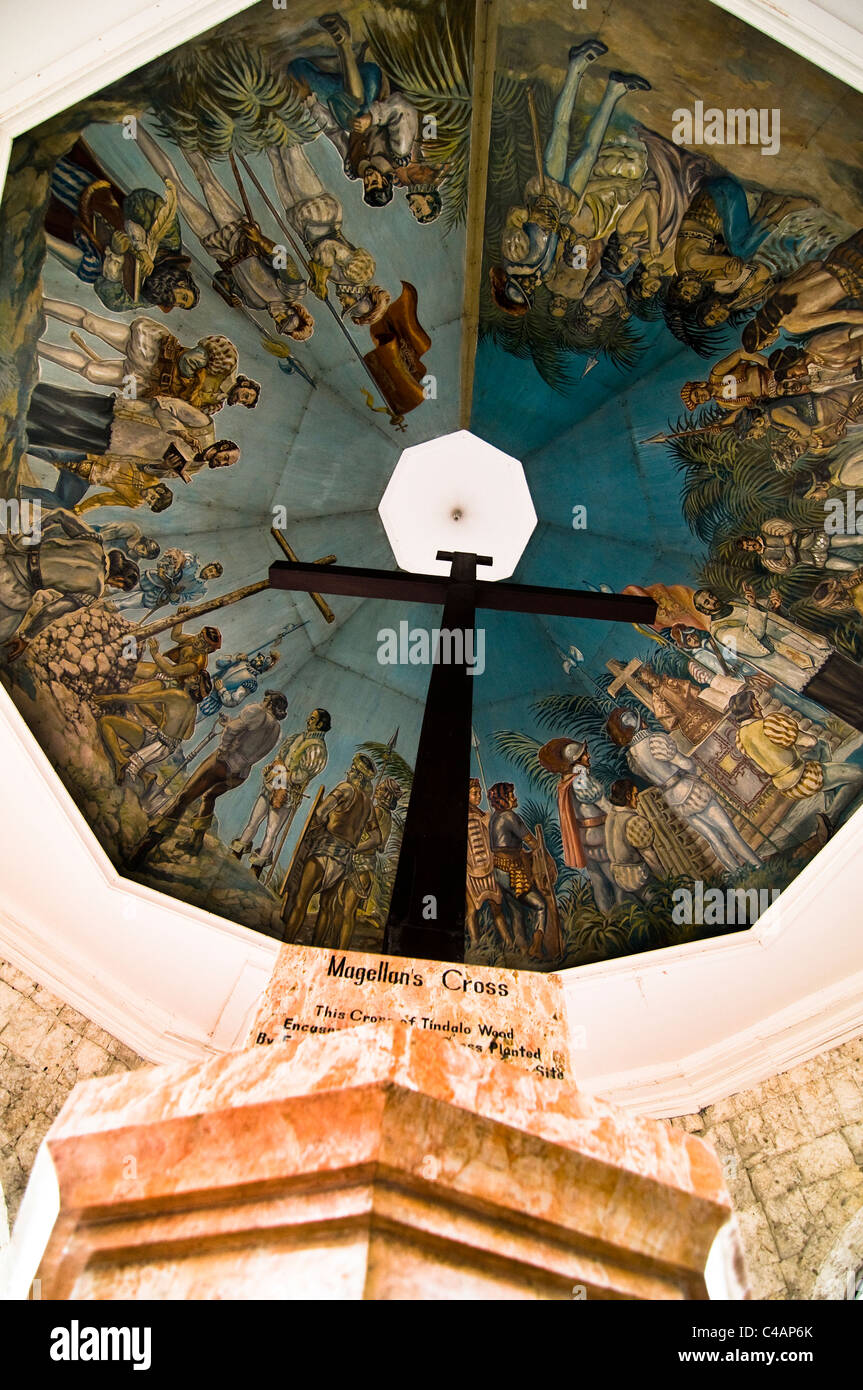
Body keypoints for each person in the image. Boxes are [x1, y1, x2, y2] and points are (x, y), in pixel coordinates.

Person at [490, 40, 650, 314]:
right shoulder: (542, 272)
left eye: (518, 291)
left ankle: (577, 63)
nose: (527, 290)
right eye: (527, 296)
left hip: (544, 192)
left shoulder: (515, 257)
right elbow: (552, 235)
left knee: (560, 130)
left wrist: (532, 216)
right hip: (564, 206)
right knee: (590, 151)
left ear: (507, 285)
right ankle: (615, 90)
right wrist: (563, 231)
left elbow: (514, 215)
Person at [134, 125, 314, 340]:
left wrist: (228, 295)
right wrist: (259, 239)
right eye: (286, 317)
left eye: (279, 323)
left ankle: (136, 131)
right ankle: (180, 124)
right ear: (295, 310)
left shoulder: (254, 303)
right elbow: (280, 257)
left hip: (218, 248)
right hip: (239, 234)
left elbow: (221, 278)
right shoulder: (291, 289)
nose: (278, 317)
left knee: (177, 192)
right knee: (205, 177)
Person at [290, 12, 439, 221]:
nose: (369, 180)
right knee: (358, 110)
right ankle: (343, 40)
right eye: (375, 183)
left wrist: (312, 105)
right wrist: (372, 118)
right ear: (386, 182)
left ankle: (335, 61)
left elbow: (334, 131)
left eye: (367, 186)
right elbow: (402, 109)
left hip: (341, 99)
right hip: (373, 83)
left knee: (298, 72)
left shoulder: (353, 165)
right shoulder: (399, 153)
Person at [129, 690, 289, 862]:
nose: (263, 701)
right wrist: (230, 725)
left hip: (223, 763)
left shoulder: (257, 712)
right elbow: (251, 742)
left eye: (266, 699)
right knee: (209, 797)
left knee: (184, 798)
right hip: (240, 774)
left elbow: (233, 730)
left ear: (270, 703)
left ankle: (146, 845)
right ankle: (195, 842)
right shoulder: (276, 730)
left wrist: (223, 749)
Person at [46, 142, 199, 313]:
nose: (175, 302)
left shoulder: (149, 296)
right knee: (57, 174)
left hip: (89, 245)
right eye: (183, 297)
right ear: (182, 282)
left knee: (91, 269)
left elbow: (114, 301)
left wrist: (118, 253)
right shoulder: (169, 243)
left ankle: (43, 239)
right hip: (99, 209)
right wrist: (138, 247)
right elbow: (144, 200)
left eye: (180, 305)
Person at [38, 299, 260, 417]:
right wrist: (192, 382)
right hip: (156, 352)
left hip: (146, 381)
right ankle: (42, 304)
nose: (242, 399)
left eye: (244, 402)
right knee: (92, 324)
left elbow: (174, 405)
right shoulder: (226, 364)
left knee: (90, 372)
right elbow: (189, 359)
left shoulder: (212, 405)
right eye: (247, 395)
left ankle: (36, 346)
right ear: (246, 383)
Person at [605, 706, 762, 872]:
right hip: (689, 789)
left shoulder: (632, 758)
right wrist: (690, 766)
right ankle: (757, 864)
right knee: (727, 829)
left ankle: (737, 873)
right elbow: (686, 764)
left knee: (712, 837)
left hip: (673, 799)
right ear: (637, 724)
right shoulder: (655, 740)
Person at [692, 585, 863, 732]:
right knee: (847, 701)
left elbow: (771, 615)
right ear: (704, 610)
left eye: (711, 595)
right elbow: (752, 641)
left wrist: (776, 606)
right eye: (707, 602)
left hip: (809, 647)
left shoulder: (736, 602)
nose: (712, 600)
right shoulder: (720, 631)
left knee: (856, 679)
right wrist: (753, 605)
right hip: (795, 667)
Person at [266, 143, 390, 326]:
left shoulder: (338, 281)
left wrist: (317, 279)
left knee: (276, 161)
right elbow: (328, 247)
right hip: (320, 213)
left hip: (303, 222)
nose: (342, 303)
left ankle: (262, 127)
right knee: (290, 152)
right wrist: (321, 280)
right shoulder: (360, 274)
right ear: (359, 297)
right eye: (348, 305)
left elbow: (318, 259)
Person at [0, 507, 138, 660]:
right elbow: (51, 611)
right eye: (118, 586)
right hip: (14, 585)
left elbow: (60, 514)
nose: (113, 587)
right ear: (119, 579)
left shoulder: (93, 539)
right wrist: (26, 638)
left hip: (14, 547)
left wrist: (34, 532)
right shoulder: (93, 592)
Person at [281, 752, 377, 946]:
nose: (348, 772)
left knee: (301, 901)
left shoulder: (346, 788)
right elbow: (376, 839)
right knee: (326, 907)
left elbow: (320, 811)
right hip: (343, 862)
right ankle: (315, 948)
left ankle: (286, 943)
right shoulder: (369, 805)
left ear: (358, 775)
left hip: (323, 852)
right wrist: (355, 849)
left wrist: (324, 821)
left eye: (352, 769)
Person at [232, 708, 331, 877]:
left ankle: (256, 868)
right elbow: (280, 756)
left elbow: (301, 776)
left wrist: (282, 774)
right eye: (309, 717)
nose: (308, 720)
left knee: (271, 831)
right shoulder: (298, 737)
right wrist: (274, 767)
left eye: (312, 718)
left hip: (287, 794)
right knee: (253, 822)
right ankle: (236, 853)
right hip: (272, 784)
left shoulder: (317, 748)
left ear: (320, 724)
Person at [727, 689, 861, 805]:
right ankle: (830, 816)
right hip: (803, 777)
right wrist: (800, 744)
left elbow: (769, 757)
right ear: (750, 708)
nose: (760, 708)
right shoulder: (769, 724)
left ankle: (829, 795)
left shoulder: (740, 739)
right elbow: (810, 741)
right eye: (756, 705)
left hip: (784, 786)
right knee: (859, 774)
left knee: (822, 745)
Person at [538, 737, 620, 914]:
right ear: (575, 760)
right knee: (615, 877)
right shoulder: (580, 780)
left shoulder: (565, 783)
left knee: (598, 881)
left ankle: (609, 919)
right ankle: (628, 916)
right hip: (598, 834)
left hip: (585, 837)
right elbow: (604, 805)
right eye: (584, 754)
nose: (588, 756)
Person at [94, 670, 212, 793]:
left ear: (194, 687)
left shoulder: (177, 694)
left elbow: (143, 697)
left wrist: (112, 697)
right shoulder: (193, 708)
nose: (191, 675)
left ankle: (119, 760)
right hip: (167, 749)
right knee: (127, 747)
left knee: (105, 722)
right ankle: (146, 776)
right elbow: (188, 735)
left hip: (156, 742)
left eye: (195, 678)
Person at [336, 775, 403, 948]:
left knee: (346, 912)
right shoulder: (385, 816)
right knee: (343, 910)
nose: (378, 789)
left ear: (387, 795)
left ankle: (340, 950)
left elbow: (376, 842)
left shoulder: (378, 812)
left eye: (381, 788)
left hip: (360, 862)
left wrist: (354, 847)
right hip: (364, 862)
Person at [488, 782, 549, 958]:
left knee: (516, 911)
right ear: (503, 799)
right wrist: (538, 849)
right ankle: (536, 947)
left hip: (499, 871)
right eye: (511, 795)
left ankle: (522, 949)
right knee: (540, 906)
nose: (514, 798)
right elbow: (532, 842)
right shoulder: (509, 817)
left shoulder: (495, 818)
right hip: (512, 872)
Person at [465, 778, 514, 950]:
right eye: (474, 793)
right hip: (471, 871)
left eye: (479, 792)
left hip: (488, 868)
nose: (478, 796)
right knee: (472, 911)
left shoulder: (485, 816)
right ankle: (476, 944)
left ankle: (508, 941)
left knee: (497, 907)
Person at [605, 779, 663, 900]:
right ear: (627, 796)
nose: (637, 799)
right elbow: (650, 857)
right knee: (660, 900)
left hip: (619, 875)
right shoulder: (633, 822)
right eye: (635, 795)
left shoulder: (610, 817)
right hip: (636, 877)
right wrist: (665, 878)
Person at [199, 650, 282, 717]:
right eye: (259, 657)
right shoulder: (242, 661)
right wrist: (235, 658)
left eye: (261, 661)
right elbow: (219, 663)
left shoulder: (251, 682)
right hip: (203, 685)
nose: (257, 660)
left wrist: (221, 690)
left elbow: (233, 701)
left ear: (263, 667)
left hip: (211, 702)